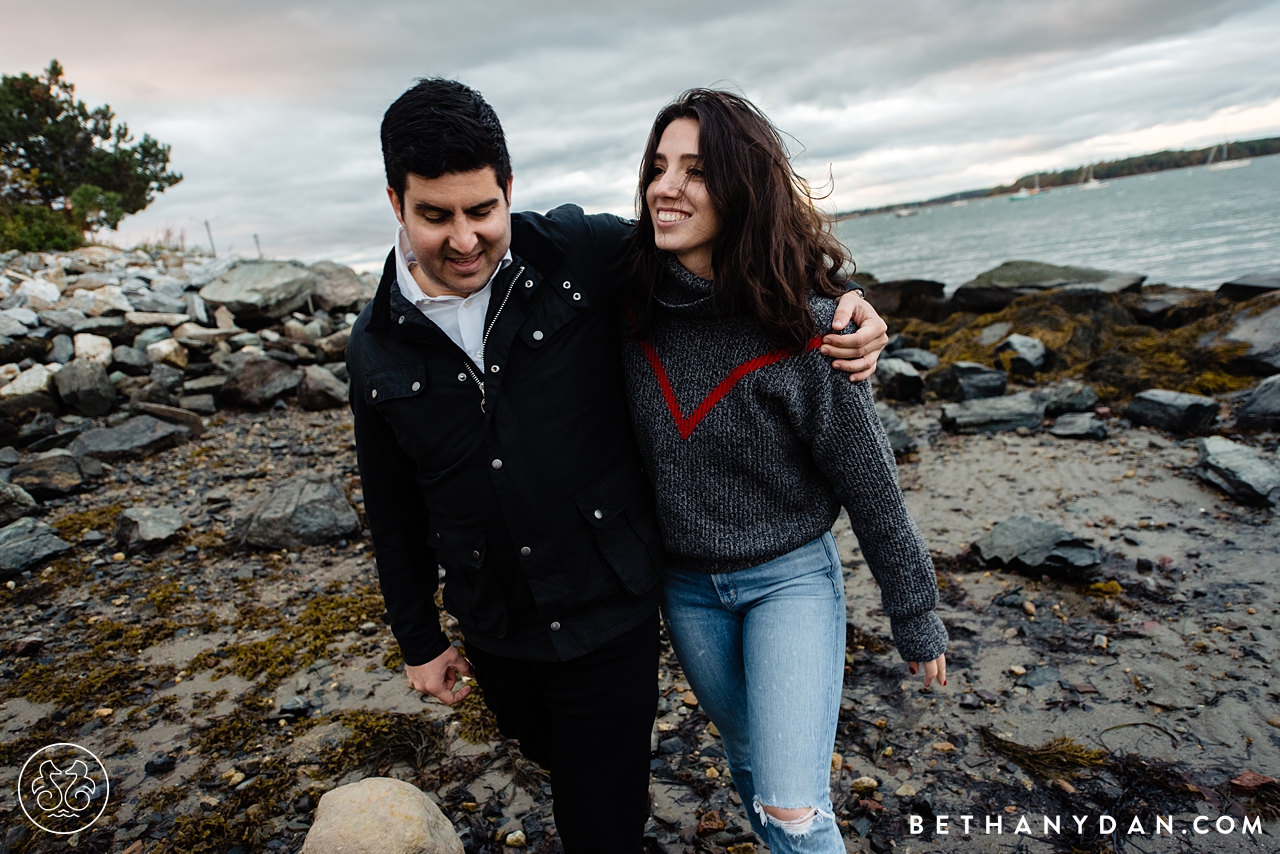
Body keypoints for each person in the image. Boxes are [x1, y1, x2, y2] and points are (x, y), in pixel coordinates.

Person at [346, 78, 890, 853]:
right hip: (497, 617)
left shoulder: (580, 253)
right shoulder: (374, 345)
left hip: (612, 601)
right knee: (557, 759)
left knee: (598, 821)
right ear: (397, 203)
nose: (464, 239)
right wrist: (419, 638)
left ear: (509, 189)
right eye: (436, 217)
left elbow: (723, 253)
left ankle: (609, 795)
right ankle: (603, 782)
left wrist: (842, 299)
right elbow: (391, 504)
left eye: (481, 211)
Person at [621, 89, 948, 853]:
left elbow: (870, 482)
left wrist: (914, 610)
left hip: (790, 580)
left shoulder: (807, 328)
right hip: (687, 589)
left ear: (741, 190)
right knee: (748, 763)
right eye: (658, 167)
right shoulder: (628, 307)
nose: (666, 187)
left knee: (795, 807)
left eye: (696, 171)